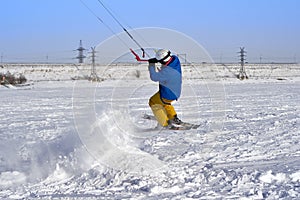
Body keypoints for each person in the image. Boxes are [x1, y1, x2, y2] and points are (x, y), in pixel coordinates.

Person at [148, 49, 183, 128]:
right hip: (175, 91)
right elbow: (165, 60)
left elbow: (154, 77)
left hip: (168, 93)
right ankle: (173, 118)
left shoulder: (168, 72)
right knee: (165, 103)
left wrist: (151, 65)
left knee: (153, 102)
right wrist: (157, 59)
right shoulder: (175, 60)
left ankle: (165, 124)